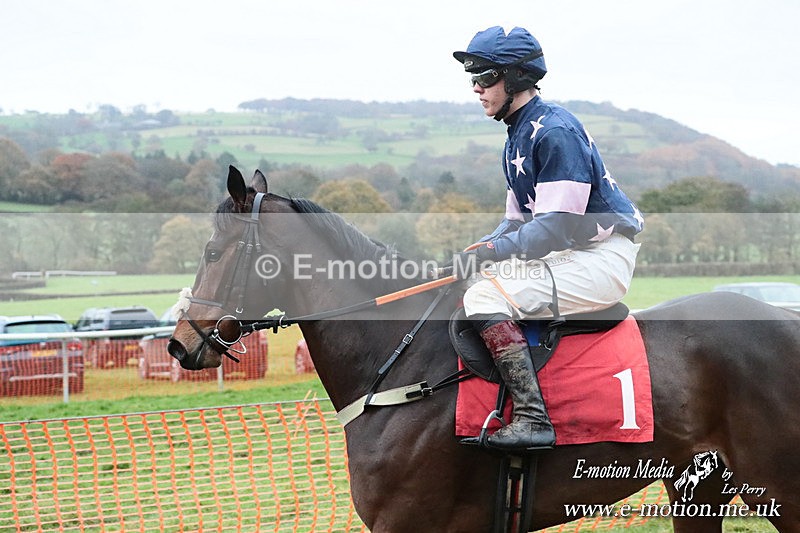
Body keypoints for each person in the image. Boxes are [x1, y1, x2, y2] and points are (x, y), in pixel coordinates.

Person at [452, 26, 644, 450]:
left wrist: (492, 253)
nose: (477, 89)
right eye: (473, 79)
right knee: (470, 281)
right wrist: (474, 252)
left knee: (485, 298)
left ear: (516, 77)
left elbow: (554, 227)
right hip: (571, 253)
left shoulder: (553, 132)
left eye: (484, 78)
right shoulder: (518, 134)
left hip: (599, 258)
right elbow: (515, 224)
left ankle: (534, 418)